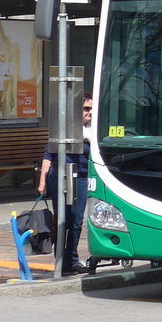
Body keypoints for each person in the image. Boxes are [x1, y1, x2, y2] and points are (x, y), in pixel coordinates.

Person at [38, 93, 93, 274]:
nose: (90, 112)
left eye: (92, 109)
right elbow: (49, 155)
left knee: (76, 221)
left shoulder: (94, 131)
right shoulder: (64, 129)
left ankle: (72, 260)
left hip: (82, 177)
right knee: (63, 219)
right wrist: (42, 180)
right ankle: (61, 262)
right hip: (61, 176)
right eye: (86, 108)